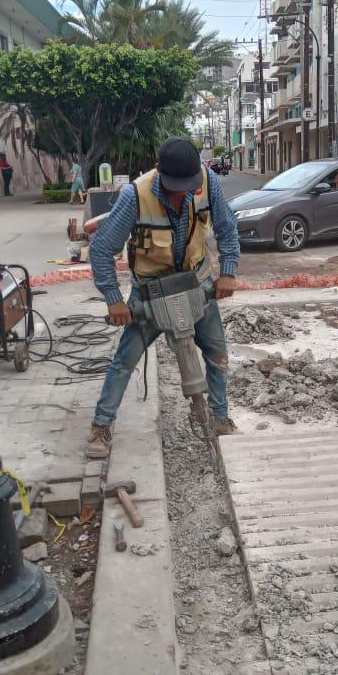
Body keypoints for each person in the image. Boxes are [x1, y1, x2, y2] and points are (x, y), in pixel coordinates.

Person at [85, 136, 241, 459]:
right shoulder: (135, 196)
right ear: (159, 171)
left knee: (217, 353)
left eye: (189, 184)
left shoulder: (207, 182)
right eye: (176, 186)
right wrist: (114, 299)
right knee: (125, 360)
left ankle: (220, 417)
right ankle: (101, 426)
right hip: (152, 295)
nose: (184, 192)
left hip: (197, 284)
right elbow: (101, 249)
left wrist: (227, 272)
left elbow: (227, 228)